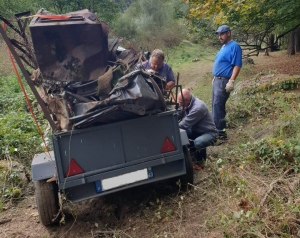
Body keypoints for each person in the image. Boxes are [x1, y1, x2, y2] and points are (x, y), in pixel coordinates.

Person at [212, 25, 242, 140]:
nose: (220, 36)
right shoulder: (224, 46)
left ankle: (221, 133)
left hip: (224, 81)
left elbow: (237, 65)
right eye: (219, 34)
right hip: (217, 79)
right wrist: (214, 77)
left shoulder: (235, 46)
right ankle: (216, 129)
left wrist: (232, 81)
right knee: (214, 105)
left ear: (228, 33)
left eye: (222, 34)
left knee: (218, 106)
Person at [177, 89, 218, 163]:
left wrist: (170, 128)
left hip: (209, 133)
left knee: (198, 142)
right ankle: (193, 151)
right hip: (195, 131)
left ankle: (201, 161)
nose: (180, 105)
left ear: (188, 100)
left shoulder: (198, 108)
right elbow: (177, 114)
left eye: (181, 103)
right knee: (181, 134)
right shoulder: (184, 103)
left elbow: (184, 124)